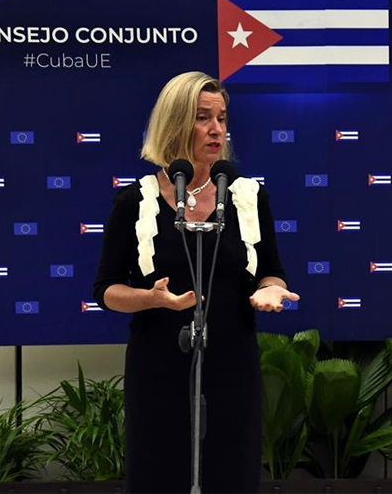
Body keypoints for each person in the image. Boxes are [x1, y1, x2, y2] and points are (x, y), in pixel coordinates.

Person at [93, 71, 299, 493]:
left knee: (229, 474)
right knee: (161, 475)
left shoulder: (247, 197)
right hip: (158, 366)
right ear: (175, 123)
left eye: (221, 118)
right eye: (203, 117)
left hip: (231, 363)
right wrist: (151, 299)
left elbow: (270, 269)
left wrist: (270, 289)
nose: (216, 129)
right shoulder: (136, 201)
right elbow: (106, 290)